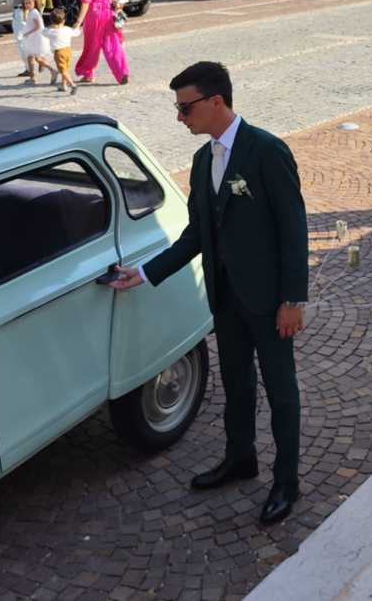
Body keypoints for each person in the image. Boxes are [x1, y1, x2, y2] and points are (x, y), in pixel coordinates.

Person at [108, 62, 308, 526]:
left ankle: (286, 481)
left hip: (269, 302)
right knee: (236, 383)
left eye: (185, 108)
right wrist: (145, 272)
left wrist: (293, 300)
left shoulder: (267, 151)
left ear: (216, 101)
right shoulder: (202, 162)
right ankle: (240, 458)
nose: (180, 117)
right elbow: (197, 234)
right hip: (225, 297)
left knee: (281, 390)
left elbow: (293, 230)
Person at [73, 0, 129, 85]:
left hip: (94, 15)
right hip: (108, 13)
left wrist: (78, 22)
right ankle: (122, 73)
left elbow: (86, 2)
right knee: (113, 45)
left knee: (91, 46)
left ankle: (87, 73)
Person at [13, 0, 52, 84]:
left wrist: (27, 33)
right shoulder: (31, 12)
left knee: (31, 58)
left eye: (29, 3)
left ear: (35, 3)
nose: (27, 5)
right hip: (34, 38)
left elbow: (37, 26)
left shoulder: (34, 13)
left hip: (35, 38)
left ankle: (33, 78)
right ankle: (40, 74)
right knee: (34, 58)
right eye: (25, 3)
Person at [42, 7, 81, 95]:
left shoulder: (51, 31)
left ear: (51, 21)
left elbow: (43, 32)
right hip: (68, 50)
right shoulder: (67, 29)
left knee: (63, 70)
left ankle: (72, 85)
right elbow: (77, 33)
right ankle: (64, 85)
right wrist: (77, 26)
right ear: (64, 20)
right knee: (66, 69)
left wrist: (50, 26)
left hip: (59, 52)